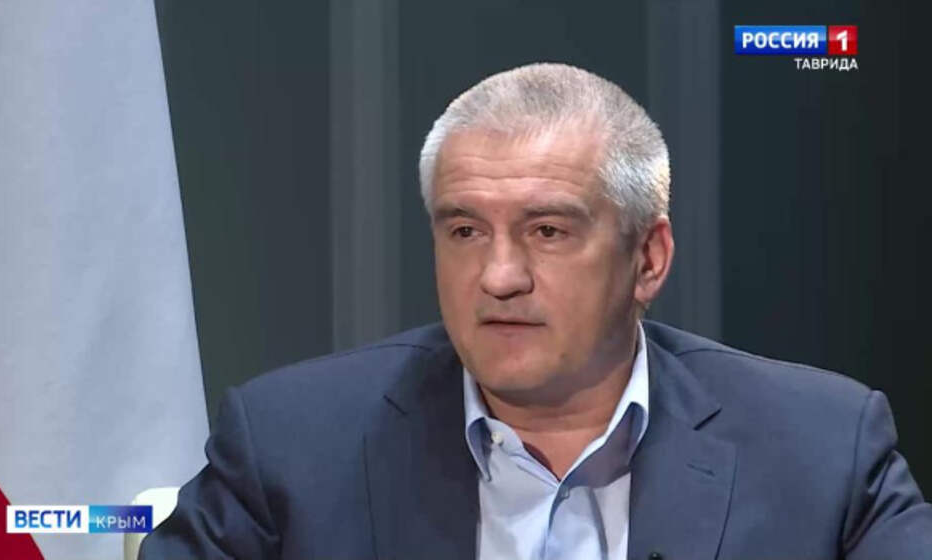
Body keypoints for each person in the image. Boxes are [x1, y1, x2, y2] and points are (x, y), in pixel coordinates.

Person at [140, 63, 931, 559]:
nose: (499, 276)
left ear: (648, 259)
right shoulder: (290, 446)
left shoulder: (820, 451)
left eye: (548, 231)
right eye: (464, 231)